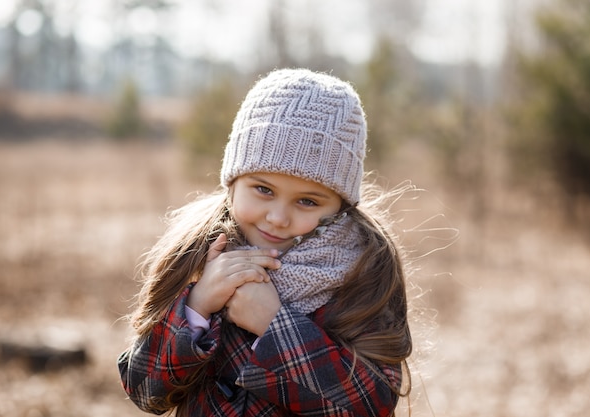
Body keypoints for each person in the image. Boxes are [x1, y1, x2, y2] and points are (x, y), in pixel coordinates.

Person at [118, 68, 422, 417]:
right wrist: (198, 306)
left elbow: (371, 406)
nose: (278, 217)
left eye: (307, 201)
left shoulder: (361, 273)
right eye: (263, 190)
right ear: (233, 182)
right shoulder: (196, 256)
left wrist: (275, 325)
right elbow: (144, 390)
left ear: (341, 206)